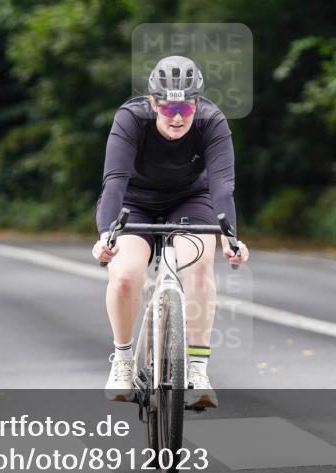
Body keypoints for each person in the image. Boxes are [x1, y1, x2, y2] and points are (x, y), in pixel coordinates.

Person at [92, 55, 249, 409]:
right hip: (135, 202)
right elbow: (114, 182)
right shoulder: (130, 118)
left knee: (199, 265)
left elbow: (222, 186)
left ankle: (196, 369)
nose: (177, 116)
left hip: (190, 201)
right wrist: (106, 235)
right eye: (168, 108)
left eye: (186, 107)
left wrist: (230, 237)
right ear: (153, 103)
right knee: (126, 275)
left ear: (197, 104)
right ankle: (123, 360)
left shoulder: (212, 121)